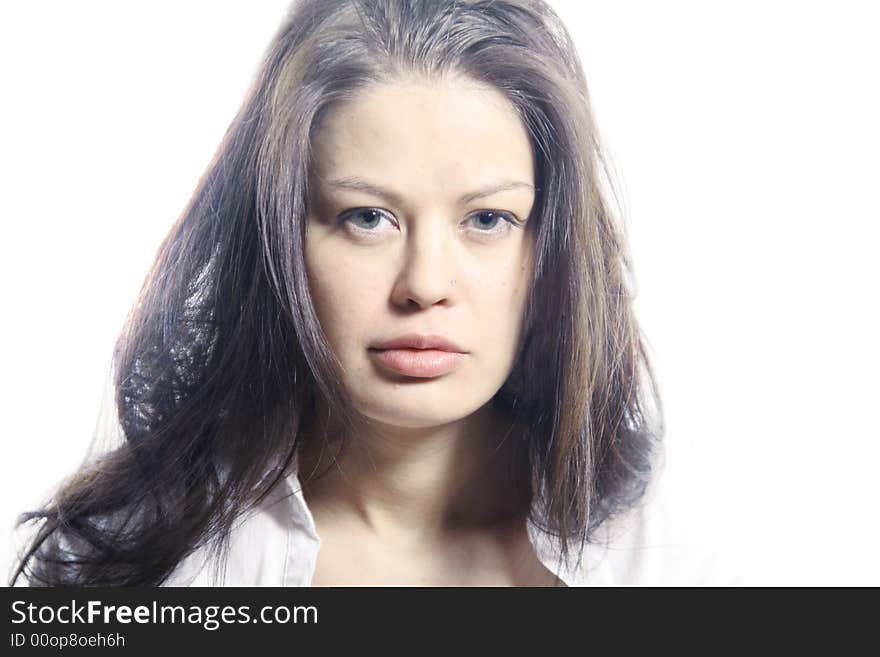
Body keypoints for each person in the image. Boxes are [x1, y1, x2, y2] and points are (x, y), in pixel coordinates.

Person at [9, 0, 665, 587]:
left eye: (487, 219)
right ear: (281, 238)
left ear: (551, 250)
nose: (425, 285)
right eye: (367, 217)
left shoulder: (669, 562)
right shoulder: (140, 564)